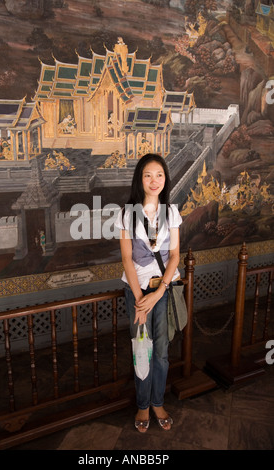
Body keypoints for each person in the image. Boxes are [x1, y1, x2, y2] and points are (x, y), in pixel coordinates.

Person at [115, 153, 182, 433]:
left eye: (159, 175)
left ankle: (158, 402)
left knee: (162, 352)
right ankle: (143, 405)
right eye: (148, 175)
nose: (154, 181)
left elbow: (175, 255)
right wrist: (139, 299)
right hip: (136, 291)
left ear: (165, 179)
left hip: (163, 288)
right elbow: (127, 259)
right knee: (142, 348)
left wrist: (158, 293)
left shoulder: (172, 211)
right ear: (139, 179)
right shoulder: (126, 213)